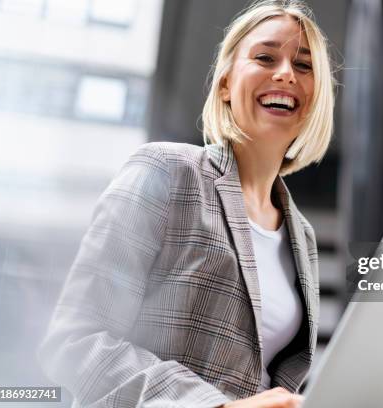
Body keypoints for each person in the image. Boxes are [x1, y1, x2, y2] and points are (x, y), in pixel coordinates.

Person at [38, 0, 336, 407]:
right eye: (265, 57)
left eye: (304, 66)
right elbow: (75, 340)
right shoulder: (167, 170)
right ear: (227, 84)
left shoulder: (303, 236)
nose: (285, 73)